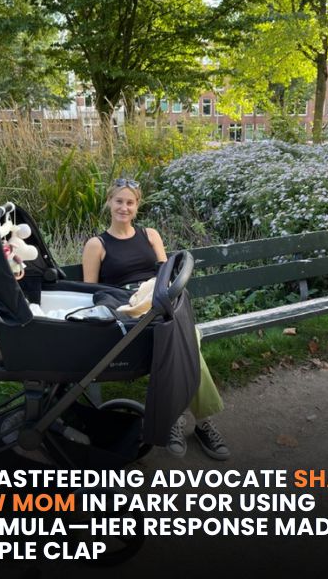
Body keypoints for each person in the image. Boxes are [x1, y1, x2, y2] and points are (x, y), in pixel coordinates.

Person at [82, 178, 230, 460]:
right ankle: (200, 422)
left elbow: (166, 276)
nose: (124, 208)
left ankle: (177, 419)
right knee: (187, 341)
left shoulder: (150, 235)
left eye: (130, 202)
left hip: (160, 304)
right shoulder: (96, 245)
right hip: (130, 313)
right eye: (119, 201)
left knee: (183, 338)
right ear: (109, 202)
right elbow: (91, 292)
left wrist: (156, 295)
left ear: (137, 206)